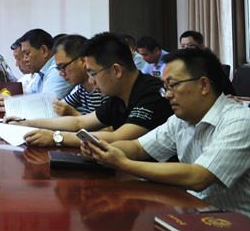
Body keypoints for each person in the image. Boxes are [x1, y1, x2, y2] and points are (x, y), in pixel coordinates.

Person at [84, 48, 249, 216]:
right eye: (165, 88)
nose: (167, 95)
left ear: (203, 85)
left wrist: (123, 164)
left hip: (236, 225)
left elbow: (199, 177)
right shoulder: (180, 120)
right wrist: (102, 149)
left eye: (173, 86)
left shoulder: (240, 121)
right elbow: (138, 147)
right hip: (196, 214)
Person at [8, 32, 173, 148]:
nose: (91, 80)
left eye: (93, 73)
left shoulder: (152, 93)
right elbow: (79, 122)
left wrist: (56, 138)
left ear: (116, 70)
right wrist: (25, 123)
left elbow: (117, 137)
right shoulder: (118, 95)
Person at [51, 35, 108, 117]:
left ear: (82, 61)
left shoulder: (104, 89)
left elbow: (106, 125)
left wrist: (74, 113)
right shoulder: (81, 89)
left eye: (63, 67)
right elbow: (59, 106)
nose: (61, 73)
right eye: (58, 68)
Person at [19, 28, 72, 99]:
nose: (25, 59)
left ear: (44, 51)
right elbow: (26, 94)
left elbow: (46, 103)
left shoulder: (56, 70)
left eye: (27, 54)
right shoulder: (42, 72)